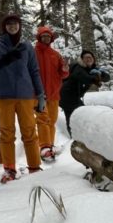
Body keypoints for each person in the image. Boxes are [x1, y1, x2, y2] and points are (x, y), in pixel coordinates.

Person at [0, 12, 46, 181]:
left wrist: (40, 94)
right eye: (9, 24)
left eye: (15, 23)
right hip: (4, 96)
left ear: (20, 26)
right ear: (4, 27)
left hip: (25, 95)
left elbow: (34, 71)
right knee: (6, 133)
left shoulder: (27, 46)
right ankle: (9, 169)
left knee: (29, 132)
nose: (12, 26)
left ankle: (35, 167)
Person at [34, 25, 70, 161]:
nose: (46, 38)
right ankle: (44, 147)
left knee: (52, 121)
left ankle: (50, 146)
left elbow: (63, 74)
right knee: (43, 119)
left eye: (48, 37)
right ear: (39, 37)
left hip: (54, 94)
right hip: (38, 94)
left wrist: (66, 69)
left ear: (51, 39)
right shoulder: (32, 53)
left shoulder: (56, 55)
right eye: (43, 36)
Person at [59, 50, 108, 137]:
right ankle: (74, 138)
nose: (89, 59)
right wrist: (96, 77)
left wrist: (102, 74)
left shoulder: (90, 68)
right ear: (82, 59)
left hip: (75, 96)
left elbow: (107, 78)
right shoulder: (78, 68)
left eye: (90, 57)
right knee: (74, 116)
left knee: (78, 115)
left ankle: (77, 136)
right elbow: (84, 77)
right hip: (66, 95)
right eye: (86, 57)